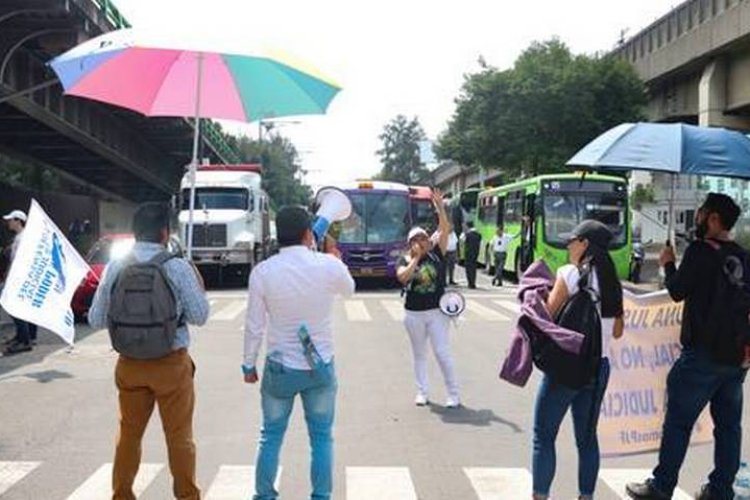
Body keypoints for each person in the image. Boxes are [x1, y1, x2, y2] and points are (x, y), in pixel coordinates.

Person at [627, 193, 748, 500]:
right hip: (735, 358)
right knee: (729, 428)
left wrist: (668, 265)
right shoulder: (744, 256)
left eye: (701, 213)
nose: (697, 217)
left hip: (702, 357)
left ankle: (662, 486)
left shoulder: (699, 251)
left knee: (678, 423)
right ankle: (720, 491)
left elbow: (678, 291)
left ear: (714, 219)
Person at [88, 202, 209, 500]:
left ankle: (123, 494)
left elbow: (95, 318)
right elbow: (200, 315)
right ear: (164, 232)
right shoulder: (176, 266)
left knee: (128, 435)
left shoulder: (118, 265)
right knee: (179, 437)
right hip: (171, 363)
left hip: (129, 363)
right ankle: (187, 496)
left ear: (135, 232)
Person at [243, 206, 355, 500]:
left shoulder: (263, 272)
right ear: (309, 234)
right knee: (321, 438)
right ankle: (320, 496)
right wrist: (336, 260)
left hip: (280, 368)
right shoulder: (328, 266)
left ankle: (264, 496)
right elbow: (349, 290)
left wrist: (248, 365)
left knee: (270, 436)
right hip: (320, 368)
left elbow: (254, 326)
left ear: (278, 236)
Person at [533, 220, 624, 500]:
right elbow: (618, 332)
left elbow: (548, 315)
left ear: (585, 244)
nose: (568, 246)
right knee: (587, 439)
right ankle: (586, 496)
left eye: (572, 241)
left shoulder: (570, 273)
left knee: (543, 436)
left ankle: (540, 495)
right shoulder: (613, 281)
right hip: (600, 368)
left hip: (567, 366)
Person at [397, 189, 461, 408]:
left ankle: (453, 394)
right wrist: (415, 259)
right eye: (417, 239)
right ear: (410, 243)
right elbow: (403, 279)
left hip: (436, 311)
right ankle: (422, 392)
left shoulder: (437, 253)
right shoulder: (404, 259)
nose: (422, 241)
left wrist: (440, 207)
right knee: (419, 354)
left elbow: (444, 229)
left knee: (442, 352)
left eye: (424, 237)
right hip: (413, 313)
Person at [2, 209, 39, 355]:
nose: (9, 222)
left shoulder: (23, 238)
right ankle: (26, 336)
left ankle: (25, 341)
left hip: (18, 277)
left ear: (18, 221)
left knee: (14, 307)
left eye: (11, 220)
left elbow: (19, 261)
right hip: (19, 277)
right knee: (24, 307)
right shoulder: (22, 237)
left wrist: (10, 277)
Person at [463, 221, 481, 289]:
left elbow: (463, 240)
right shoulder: (478, 235)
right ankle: (473, 283)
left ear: (468, 226)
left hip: (468, 254)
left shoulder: (468, 234)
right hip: (475, 253)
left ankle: (470, 283)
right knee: (473, 269)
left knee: (468, 269)